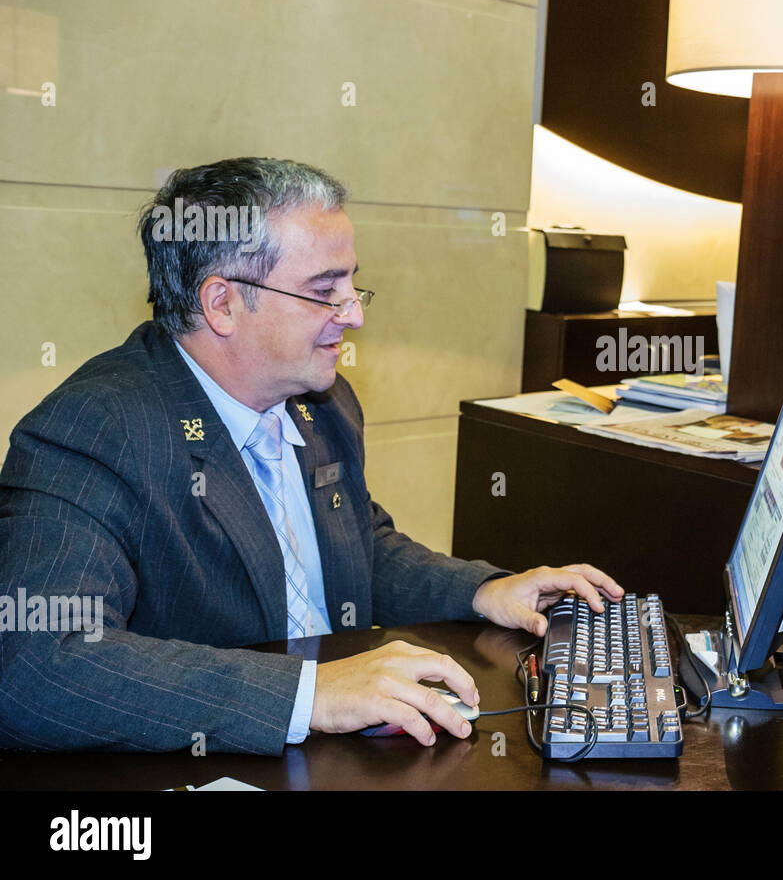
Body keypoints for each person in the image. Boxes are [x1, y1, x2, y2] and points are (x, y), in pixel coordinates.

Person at [0, 157, 622, 753]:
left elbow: (357, 546)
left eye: (352, 285)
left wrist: (482, 590)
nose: (352, 315)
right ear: (222, 304)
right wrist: (308, 694)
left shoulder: (321, 400)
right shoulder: (95, 429)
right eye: (325, 291)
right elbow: (37, 663)